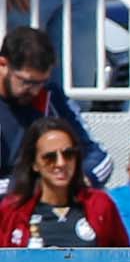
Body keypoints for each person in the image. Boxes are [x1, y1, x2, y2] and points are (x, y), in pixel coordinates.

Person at [0, 25, 109, 188]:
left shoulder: (50, 95)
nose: (36, 91)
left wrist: (83, 179)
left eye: (42, 82)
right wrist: (31, 186)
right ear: (3, 65)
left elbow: (99, 157)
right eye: (27, 82)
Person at [0, 114, 125, 247]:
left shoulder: (100, 205)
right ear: (34, 164)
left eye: (68, 154)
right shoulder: (12, 210)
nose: (61, 163)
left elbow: (122, 259)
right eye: (50, 157)